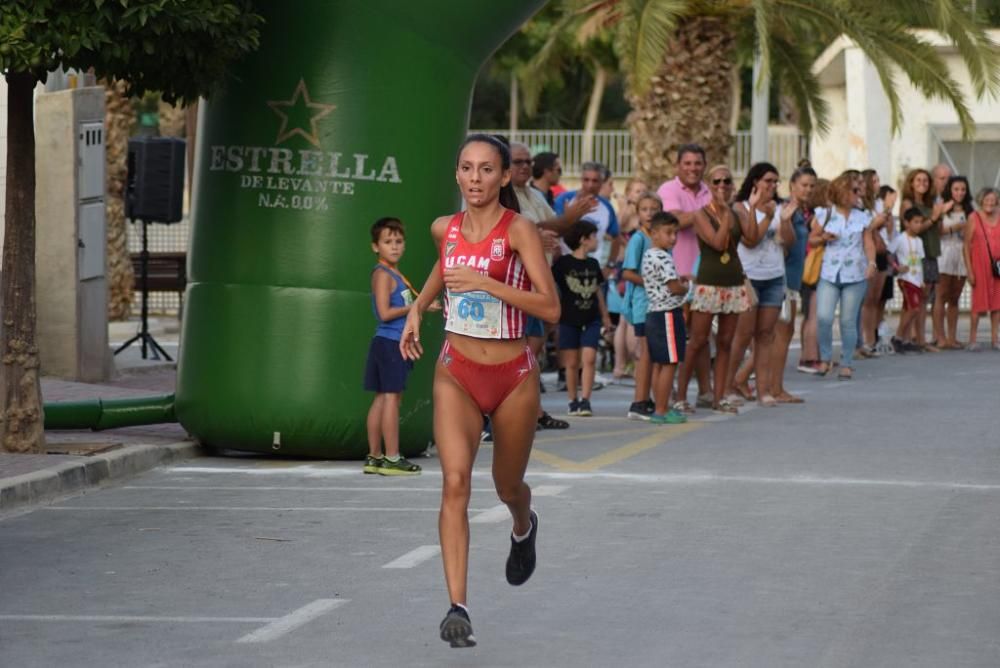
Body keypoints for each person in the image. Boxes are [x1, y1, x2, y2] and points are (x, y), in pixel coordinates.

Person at [400, 134, 560, 648]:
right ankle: (458, 607)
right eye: (466, 168)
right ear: (457, 174)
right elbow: (443, 269)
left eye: (486, 169)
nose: (475, 178)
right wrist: (415, 309)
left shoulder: (521, 232)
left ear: (503, 176)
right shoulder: (442, 228)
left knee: (507, 486)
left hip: (512, 375)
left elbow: (550, 307)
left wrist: (490, 284)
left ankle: (522, 524)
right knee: (454, 483)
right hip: (457, 371)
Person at [510, 141, 592, 430]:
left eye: (527, 161)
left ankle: (533, 410)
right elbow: (504, 232)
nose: (524, 166)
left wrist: (565, 223)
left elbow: (553, 225)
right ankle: (513, 413)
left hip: (539, 282)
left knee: (533, 352)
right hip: (517, 287)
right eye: (517, 161)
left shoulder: (532, 194)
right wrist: (542, 232)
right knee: (521, 353)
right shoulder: (501, 196)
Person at [675, 165, 757, 413]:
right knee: (698, 340)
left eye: (726, 181)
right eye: (717, 182)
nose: (722, 186)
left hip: (732, 283)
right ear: (709, 186)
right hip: (709, 284)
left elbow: (752, 238)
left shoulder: (735, 212)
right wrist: (724, 213)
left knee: (725, 342)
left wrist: (751, 208)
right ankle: (680, 396)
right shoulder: (701, 214)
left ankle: (719, 396)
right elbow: (719, 243)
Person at [363, 217, 425, 476]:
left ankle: (375, 457)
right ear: (375, 247)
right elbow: (384, 312)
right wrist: (417, 306)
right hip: (390, 343)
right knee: (390, 398)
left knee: (383, 397)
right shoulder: (382, 275)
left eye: (399, 241)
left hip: (391, 343)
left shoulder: (394, 273)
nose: (395, 246)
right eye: (388, 242)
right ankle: (391, 457)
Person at [811, 172, 885, 379]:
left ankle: (846, 362)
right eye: (853, 190)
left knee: (848, 321)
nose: (857, 194)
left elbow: (868, 242)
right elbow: (812, 239)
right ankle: (825, 359)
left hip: (855, 275)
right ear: (841, 191)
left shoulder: (863, 217)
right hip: (829, 274)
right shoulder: (825, 214)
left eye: (858, 190)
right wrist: (824, 237)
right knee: (824, 317)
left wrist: (871, 263)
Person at [726, 162, 789, 407]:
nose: (772, 186)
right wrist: (767, 216)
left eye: (775, 181)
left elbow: (788, 243)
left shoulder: (779, 207)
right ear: (755, 182)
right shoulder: (740, 207)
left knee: (765, 335)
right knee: (742, 335)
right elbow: (750, 240)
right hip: (748, 277)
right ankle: (728, 385)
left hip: (774, 276)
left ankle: (764, 389)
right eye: (767, 181)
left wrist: (785, 221)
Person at [657, 143, 714, 408]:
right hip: (674, 276)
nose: (693, 168)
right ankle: (673, 395)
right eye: (687, 163)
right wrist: (708, 213)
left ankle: (705, 391)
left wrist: (696, 216)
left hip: (703, 275)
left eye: (698, 163)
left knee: (701, 338)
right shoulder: (668, 190)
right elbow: (674, 222)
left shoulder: (709, 190)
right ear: (678, 166)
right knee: (677, 340)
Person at [552, 221, 612, 416]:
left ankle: (585, 399)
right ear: (583, 240)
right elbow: (553, 288)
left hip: (591, 318)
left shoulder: (593, 264)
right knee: (570, 363)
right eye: (593, 236)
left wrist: (605, 317)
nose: (597, 240)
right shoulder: (563, 264)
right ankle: (572, 400)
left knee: (589, 358)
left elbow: (598, 292)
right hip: (569, 318)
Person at [770, 167, 816, 403]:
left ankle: (766, 385)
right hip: (783, 281)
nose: (808, 189)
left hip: (793, 281)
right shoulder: (787, 211)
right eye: (804, 185)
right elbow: (784, 244)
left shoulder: (802, 213)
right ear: (792, 186)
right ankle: (774, 388)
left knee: (781, 335)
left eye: (811, 185)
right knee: (781, 335)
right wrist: (786, 223)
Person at [641, 212, 690, 424]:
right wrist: (688, 287)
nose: (673, 238)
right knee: (670, 363)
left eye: (675, 233)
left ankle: (661, 406)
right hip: (668, 314)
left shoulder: (649, 255)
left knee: (659, 364)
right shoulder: (663, 257)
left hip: (654, 313)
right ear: (654, 234)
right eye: (668, 233)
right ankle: (661, 409)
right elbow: (674, 288)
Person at [620, 192, 661, 419]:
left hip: (657, 303)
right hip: (642, 303)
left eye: (654, 209)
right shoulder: (638, 239)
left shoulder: (660, 239)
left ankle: (649, 398)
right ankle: (639, 401)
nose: (649, 213)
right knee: (646, 353)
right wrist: (652, 282)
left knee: (652, 353)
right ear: (638, 213)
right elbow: (627, 272)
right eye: (645, 209)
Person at [553, 162, 622, 269]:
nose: (590, 185)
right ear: (581, 180)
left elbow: (616, 237)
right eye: (586, 180)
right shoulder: (564, 200)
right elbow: (554, 231)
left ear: (601, 183)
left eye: (595, 181)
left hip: (593, 269)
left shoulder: (606, 206)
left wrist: (610, 266)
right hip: (565, 267)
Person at [858, 169, 894, 357]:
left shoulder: (878, 203)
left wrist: (887, 211)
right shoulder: (862, 205)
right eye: (873, 181)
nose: (877, 184)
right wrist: (886, 211)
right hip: (869, 251)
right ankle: (866, 339)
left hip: (882, 250)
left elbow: (888, 227)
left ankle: (873, 337)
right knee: (868, 299)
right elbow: (871, 225)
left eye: (878, 180)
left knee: (876, 299)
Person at [935, 175, 972, 349]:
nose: (960, 193)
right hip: (944, 253)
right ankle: (940, 337)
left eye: (963, 189)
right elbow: (936, 230)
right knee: (941, 296)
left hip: (962, 255)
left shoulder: (970, 210)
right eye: (956, 189)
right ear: (950, 189)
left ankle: (952, 337)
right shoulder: (943, 207)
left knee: (955, 298)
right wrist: (954, 228)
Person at [797, 177, 830, 373]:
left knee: (811, 314)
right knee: (814, 315)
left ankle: (808, 354)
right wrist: (826, 237)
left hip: (809, 267)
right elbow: (813, 238)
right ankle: (810, 357)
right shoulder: (821, 216)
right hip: (816, 268)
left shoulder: (812, 215)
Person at [964, 187, 1000, 350]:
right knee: (977, 305)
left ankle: (995, 339)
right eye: (987, 200)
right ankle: (973, 339)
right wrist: (969, 270)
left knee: (997, 304)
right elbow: (966, 246)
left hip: (997, 268)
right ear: (981, 200)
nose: (990, 203)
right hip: (979, 266)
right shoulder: (974, 217)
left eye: (993, 200)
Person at [889, 208, 927, 351]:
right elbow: (889, 253)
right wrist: (896, 266)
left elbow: (920, 261)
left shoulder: (919, 241)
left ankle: (906, 340)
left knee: (907, 309)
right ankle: (898, 337)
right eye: (915, 222)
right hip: (906, 279)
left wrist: (922, 280)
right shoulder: (900, 239)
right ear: (906, 223)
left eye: (920, 222)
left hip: (917, 279)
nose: (918, 225)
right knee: (914, 309)